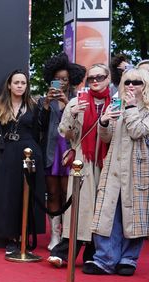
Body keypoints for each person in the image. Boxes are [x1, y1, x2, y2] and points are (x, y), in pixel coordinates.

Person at [83, 67, 149, 276]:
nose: (130, 86)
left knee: (134, 215)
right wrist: (104, 121)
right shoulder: (116, 104)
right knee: (108, 214)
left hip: (137, 168)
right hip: (114, 167)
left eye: (136, 82)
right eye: (127, 82)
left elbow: (138, 131)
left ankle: (128, 259)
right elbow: (106, 138)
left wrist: (132, 108)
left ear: (145, 85)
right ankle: (104, 259)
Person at [48, 64, 112, 268]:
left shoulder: (117, 102)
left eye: (100, 76)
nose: (95, 81)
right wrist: (72, 113)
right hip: (83, 161)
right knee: (78, 207)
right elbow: (65, 132)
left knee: (101, 209)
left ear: (108, 78)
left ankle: (94, 255)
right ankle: (65, 251)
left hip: (108, 161)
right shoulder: (78, 101)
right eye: (91, 77)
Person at [0, 69, 45, 254]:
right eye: (17, 82)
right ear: (9, 85)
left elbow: (37, 133)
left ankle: (24, 235)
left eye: (23, 83)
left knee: (28, 193)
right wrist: (4, 150)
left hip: (30, 152)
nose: (20, 86)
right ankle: (11, 238)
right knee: (8, 194)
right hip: (9, 153)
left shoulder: (34, 106)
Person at [38, 54, 82, 251]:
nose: (62, 82)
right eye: (58, 78)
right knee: (53, 193)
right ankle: (55, 235)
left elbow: (78, 125)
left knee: (67, 193)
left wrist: (67, 104)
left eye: (65, 79)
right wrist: (46, 105)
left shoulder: (76, 99)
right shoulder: (43, 101)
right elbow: (40, 126)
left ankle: (67, 235)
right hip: (50, 151)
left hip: (69, 151)